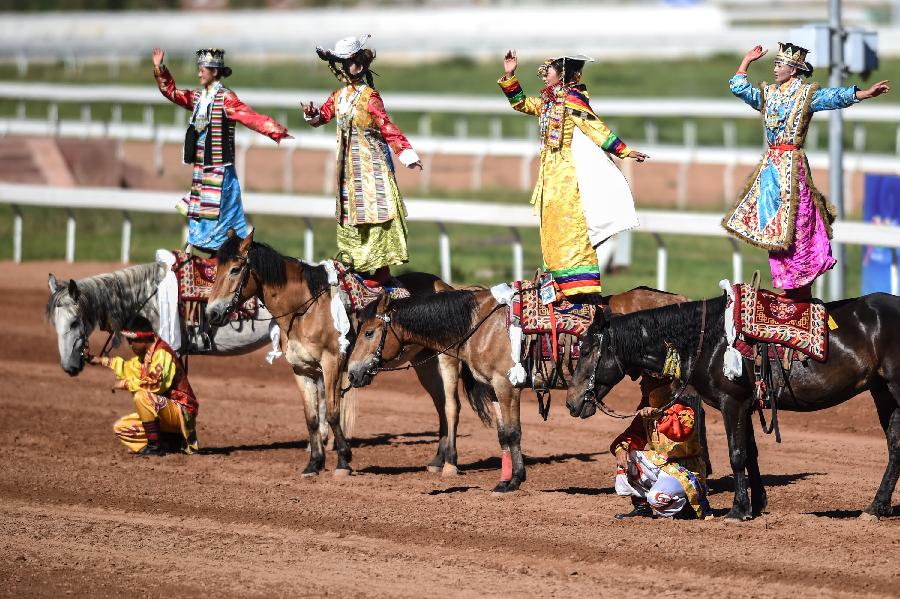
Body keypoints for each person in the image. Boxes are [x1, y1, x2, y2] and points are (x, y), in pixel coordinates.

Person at [724, 42, 890, 300]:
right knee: (777, 230)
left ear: (794, 70)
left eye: (780, 64)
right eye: (776, 64)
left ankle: (800, 284)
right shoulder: (768, 94)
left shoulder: (805, 95)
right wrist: (746, 61)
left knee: (799, 225)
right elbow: (738, 87)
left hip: (793, 167)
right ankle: (787, 283)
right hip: (771, 171)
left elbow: (834, 97)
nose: (776, 68)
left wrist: (865, 93)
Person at [498, 50, 648, 299]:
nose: (545, 76)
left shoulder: (573, 99)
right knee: (552, 230)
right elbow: (521, 103)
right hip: (550, 177)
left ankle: (579, 288)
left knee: (572, 229)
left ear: (565, 74)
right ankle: (555, 283)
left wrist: (624, 150)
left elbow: (594, 127)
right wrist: (510, 74)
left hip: (568, 177)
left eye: (550, 71)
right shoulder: (547, 101)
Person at [302, 35, 422, 285]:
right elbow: (322, 117)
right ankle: (358, 266)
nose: (346, 68)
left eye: (350, 62)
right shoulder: (339, 96)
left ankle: (381, 272)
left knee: (377, 213)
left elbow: (386, 126)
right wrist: (311, 114)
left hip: (373, 167)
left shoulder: (370, 97)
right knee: (353, 214)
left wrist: (406, 155)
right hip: (348, 170)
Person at [152, 47, 291, 253]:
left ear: (215, 72)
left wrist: (274, 130)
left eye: (203, 69)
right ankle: (202, 252)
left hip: (220, 169)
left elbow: (249, 116)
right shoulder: (198, 97)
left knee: (221, 214)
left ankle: (226, 254)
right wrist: (160, 67)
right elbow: (172, 92)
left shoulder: (226, 98)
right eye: (198, 68)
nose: (199, 73)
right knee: (201, 212)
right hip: (201, 168)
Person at [89, 316, 198, 456]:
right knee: (121, 428)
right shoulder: (145, 357)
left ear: (144, 338)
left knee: (142, 396)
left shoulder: (162, 353)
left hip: (182, 412)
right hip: (164, 413)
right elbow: (128, 368)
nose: (130, 345)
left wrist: (125, 384)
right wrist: (100, 360)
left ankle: (154, 446)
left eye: (131, 340)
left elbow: (155, 384)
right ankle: (169, 442)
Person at [610, 386, 712, 520]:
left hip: (684, 470)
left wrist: (661, 416)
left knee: (656, 498)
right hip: (661, 465)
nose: (642, 384)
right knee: (629, 454)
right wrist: (621, 449)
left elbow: (680, 433)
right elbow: (631, 436)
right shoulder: (647, 412)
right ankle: (642, 508)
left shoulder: (684, 410)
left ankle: (686, 505)